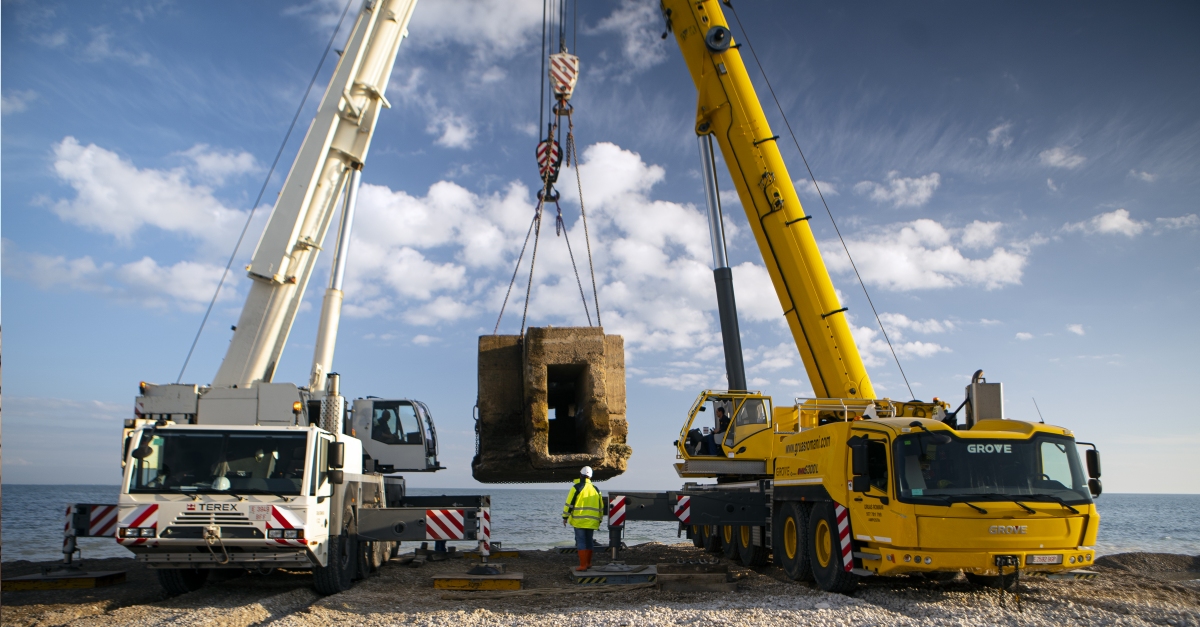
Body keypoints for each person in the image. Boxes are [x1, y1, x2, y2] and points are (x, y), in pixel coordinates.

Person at [562, 465, 603, 572]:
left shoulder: (576, 487)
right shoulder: (596, 489)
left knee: (581, 541)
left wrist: (565, 516)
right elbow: (601, 506)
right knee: (589, 541)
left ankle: (583, 565)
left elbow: (569, 504)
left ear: (580, 475)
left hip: (579, 521)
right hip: (592, 521)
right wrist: (599, 519)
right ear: (590, 477)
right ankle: (588, 563)